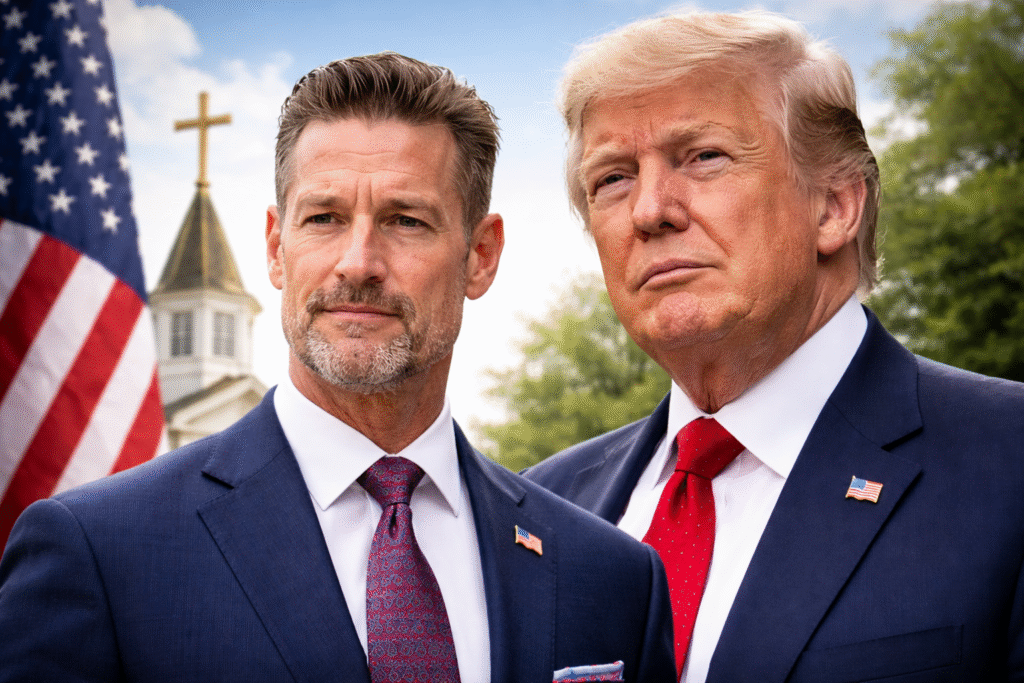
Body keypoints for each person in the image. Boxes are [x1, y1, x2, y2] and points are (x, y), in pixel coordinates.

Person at [0, 53, 675, 683]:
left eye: (406, 220)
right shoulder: (99, 552)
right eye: (323, 217)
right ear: (275, 247)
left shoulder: (610, 576)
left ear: (481, 255)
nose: (357, 261)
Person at [524, 11, 1024, 683]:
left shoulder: (1008, 460)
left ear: (834, 205)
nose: (649, 210)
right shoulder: (540, 509)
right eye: (613, 177)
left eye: (703, 156)